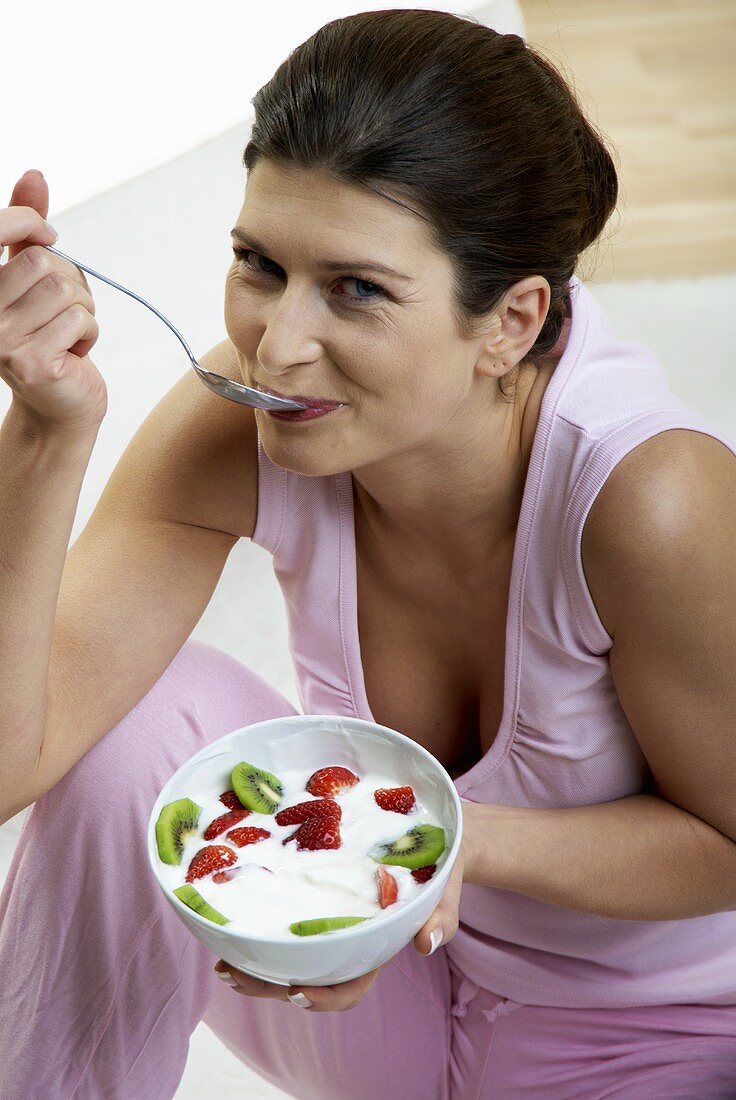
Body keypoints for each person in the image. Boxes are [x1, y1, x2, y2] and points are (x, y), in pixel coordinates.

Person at [1, 8, 735, 1098]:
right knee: (133, 731)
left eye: (357, 288)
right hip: (399, 977)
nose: (277, 342)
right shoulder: (242, 419)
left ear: (512, 323)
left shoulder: (649, 498)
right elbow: (18, 761)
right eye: (259, 261)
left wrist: (449, 841)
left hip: (650, 1035)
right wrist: (48, 434)